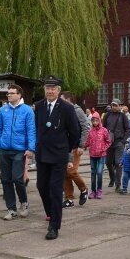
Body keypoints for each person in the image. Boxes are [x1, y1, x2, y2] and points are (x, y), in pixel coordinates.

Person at [34, 75, 81, 240]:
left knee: (55, 191)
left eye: (53, 88)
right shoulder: (39, 106)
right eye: (47, 88)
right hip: (42, 154)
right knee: (41, 186)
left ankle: (54, 226)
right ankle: (51, 212)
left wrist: (65, 148)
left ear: (58, 90)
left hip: (59, 155)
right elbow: (36, 129)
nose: (50, 91)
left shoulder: (67, 108)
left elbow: (75, 132)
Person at [0, 84, 36, 221]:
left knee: (17, 178)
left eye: (12, 93)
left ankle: (24, 202)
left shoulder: (27, 110)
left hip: (19, 150)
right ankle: (11, 209)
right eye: (8, 93)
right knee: (5, 179)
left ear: (19, 95)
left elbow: (31, 130)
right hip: (4, 149)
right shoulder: (2, 110)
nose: (9, 95)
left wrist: (30, 148)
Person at [60, 91, 89, 208]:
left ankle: (83, 189)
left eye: (61, 99)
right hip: (64, 147)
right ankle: (69, 198)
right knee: (65, 173)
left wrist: (82, 145)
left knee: (71, 171)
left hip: (75, 147)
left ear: (68, 99)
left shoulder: (77, 110)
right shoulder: (62, 111)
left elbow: (86, 127)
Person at [103, 100, 130, 192]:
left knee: (118, 163)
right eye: (112, 105)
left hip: (119, 142)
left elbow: (127, 129)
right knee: (108, 162)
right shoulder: (107, 115)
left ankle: (118, 184)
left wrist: (124, 140)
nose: (113, 107)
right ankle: (112, 178)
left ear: (120, 106)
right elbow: (104, 128)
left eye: (115, 105)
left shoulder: (123, 116)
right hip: (109, 142)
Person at [84, 112, 111, 198]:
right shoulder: (90, 131)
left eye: (96, 121)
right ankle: (93, 191)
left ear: (99, 120)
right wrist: (82, 146)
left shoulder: (104, 130)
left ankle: (99, 190)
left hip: (101, 155)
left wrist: (103, 149)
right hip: (92, 155)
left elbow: (108, 141)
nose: (95, 122)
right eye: (93, 121)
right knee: (93, 173)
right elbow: (87, 142)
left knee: (99, 172)